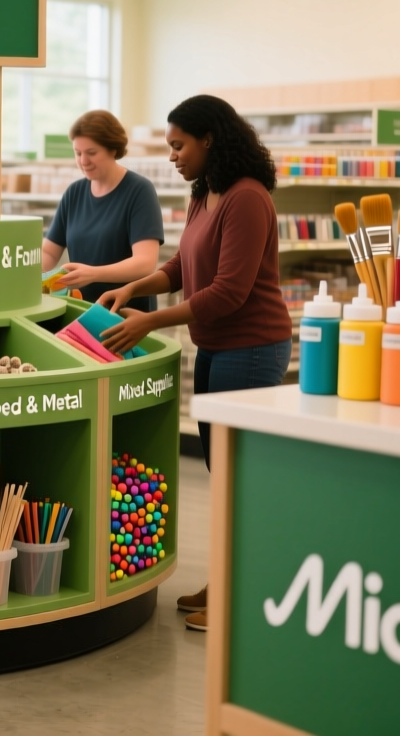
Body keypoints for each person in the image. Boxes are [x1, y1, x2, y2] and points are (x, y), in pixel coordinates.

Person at [96, 94, 292, 634]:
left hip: (251, 348)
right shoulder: (205, 192)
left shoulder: (247, 198)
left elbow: (229, 291)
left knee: (237, 478)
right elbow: (183, 264)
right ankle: (227, 582)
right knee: (221, 474)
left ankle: (243, 596)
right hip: (215, 347)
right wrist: (136, 287)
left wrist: (150, 322)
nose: (173, 156)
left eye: (179, 146)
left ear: (210, 139)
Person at [42, 111, 163, 311]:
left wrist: (93, 274)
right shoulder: (74, 193)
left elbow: (145, 262)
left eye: (91, 152)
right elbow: (48, 251)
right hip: (83, 310)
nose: (83, 161)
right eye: (78, 153)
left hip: (127, 313)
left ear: (113, 149)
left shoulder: (139, 191)